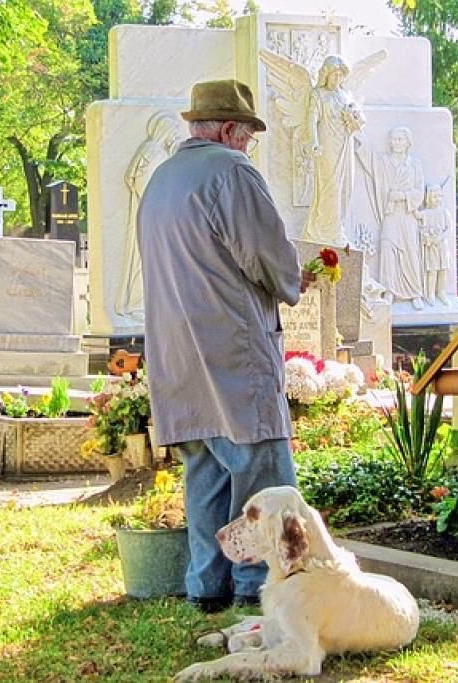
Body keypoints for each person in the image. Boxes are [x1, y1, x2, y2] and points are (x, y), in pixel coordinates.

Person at [137, 79, 315, 612]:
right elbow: (264, 253)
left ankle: (206, 586)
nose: (249, 146)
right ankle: (260, 587)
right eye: (248, 135)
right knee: (263, 472)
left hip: (177, 352)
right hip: (230, 349)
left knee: (206, 475)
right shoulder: (232, 171)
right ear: (230, 130)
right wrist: (294, 277)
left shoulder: (162, 178)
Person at [114, 111, 182, 318]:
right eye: (174, 132)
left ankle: (150, 305)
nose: (175, 136)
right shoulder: (154, 153)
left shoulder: (157, 151)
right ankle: (137, 305)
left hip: (155, 215)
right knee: (144, 262)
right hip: (153, 217)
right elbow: (142, 183)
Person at [300, 55, 365, 246]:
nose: (337, 78)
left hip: (345, 145)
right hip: (327, 145)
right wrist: (313, 141)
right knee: (330, 187)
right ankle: (326, 233)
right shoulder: (318, 95)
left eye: (340, 75)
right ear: (326, 75)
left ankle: (338, 229)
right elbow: (311, 120)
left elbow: (357, 119)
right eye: (334, 74)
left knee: (346, 187)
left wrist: (355, 119)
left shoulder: (345, 96)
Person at [359, 126, 426, 309]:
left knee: (410, 251)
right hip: (391, 214)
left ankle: (415, 293)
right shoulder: (384, 162)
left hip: (407, 215)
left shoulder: (414, 165)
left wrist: (403, 196)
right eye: (394, 139)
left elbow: (420, 192)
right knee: (388, 248)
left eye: (400, 139)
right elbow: (370, 160)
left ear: (407, 142)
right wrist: (359, 137)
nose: (396, 143)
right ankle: (389, 290)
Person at [418, 184, 452, 305]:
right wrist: (427, 238)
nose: (437, 199)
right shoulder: (425, 213)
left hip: (442, 246)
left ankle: (441, 292)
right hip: (431, 246)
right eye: (434, 196)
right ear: (428, 198)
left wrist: (440, 238)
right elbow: (418, 220)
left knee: (443, 270)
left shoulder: (444, 212)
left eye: (439, 196)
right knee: (432, 270)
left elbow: (449, 228)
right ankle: (430, 293)